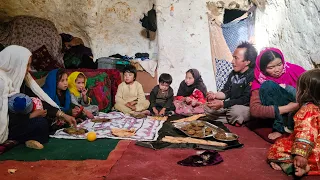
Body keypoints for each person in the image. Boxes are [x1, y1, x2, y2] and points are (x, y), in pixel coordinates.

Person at [0, 45, 76, 153]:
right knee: (41, 124)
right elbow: (4, 115)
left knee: (51, 121)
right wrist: (32, 115)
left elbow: (38, 99)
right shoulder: (2, 81)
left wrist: (63, 115)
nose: (29, 69)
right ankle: (24, 139)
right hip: (7, 126)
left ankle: (28, 138)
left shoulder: (21, 80)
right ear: (16, 63)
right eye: (27, 65)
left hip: (21, 121)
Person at [267, 69, 320, 177]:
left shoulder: (308, 109)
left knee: (277, 147)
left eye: (298, 89)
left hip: (309, 150)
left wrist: (301, 154)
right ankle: (310, 168)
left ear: (304, 92)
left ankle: (297, 166)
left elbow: (306, 132)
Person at [250, 48, 305, 140]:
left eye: (279, 64)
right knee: (267, 85)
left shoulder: (295, 70)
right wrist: (289, 108)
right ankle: (279, 127)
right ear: (263, 69)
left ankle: (291, 124)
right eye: (271, 67)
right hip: (284, 113)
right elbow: (255, 110)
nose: (277, 70)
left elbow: (311, 89)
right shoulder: (259, 80)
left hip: (298, 109)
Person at [206, 42, 257, 126]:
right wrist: (214, 95)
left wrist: (223, 104)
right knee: (207, 107)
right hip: (232, 105)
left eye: (236, 58)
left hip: (245, 107)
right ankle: (234, 120)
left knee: (234, 111)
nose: (232, 61)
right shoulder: (233, 73)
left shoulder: (253, 75)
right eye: (233, 58)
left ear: (247, 61)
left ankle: (233, 118)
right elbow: (226, 92)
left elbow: (246, 99)